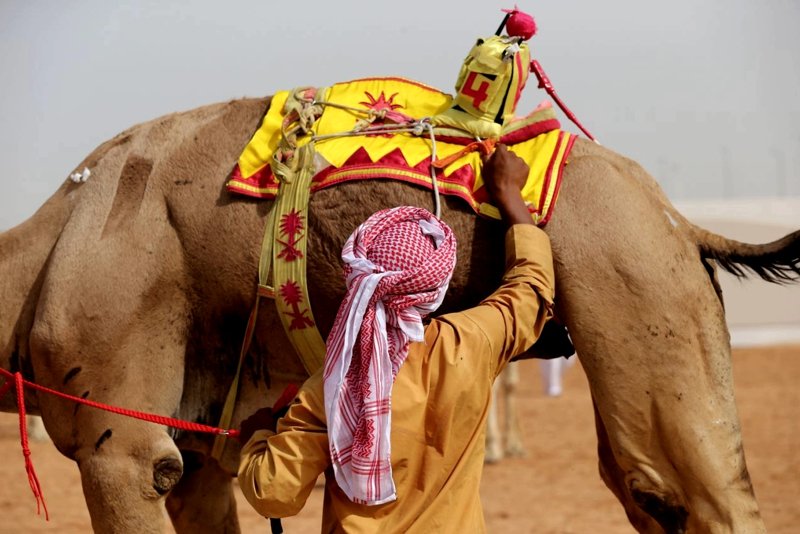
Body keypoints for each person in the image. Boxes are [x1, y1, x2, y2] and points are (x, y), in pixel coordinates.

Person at [238, 144, 555, 533]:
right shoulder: (471, 343)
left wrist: (259, 439)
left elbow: (274, 492)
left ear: (356, 276)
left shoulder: (333, 387)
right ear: (435, 287)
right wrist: (511, 196)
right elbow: (531, 288)